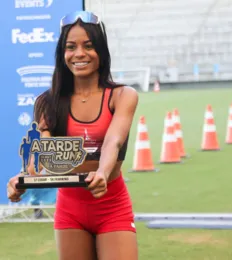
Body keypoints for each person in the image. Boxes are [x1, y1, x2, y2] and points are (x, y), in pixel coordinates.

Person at [7, 10, 139, 260]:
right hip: (70, 209)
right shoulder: (47, 102)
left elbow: (114, 141)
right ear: (62, 53)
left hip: (112, 205)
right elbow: (45, 160)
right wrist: (21, 181)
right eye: (71, 47)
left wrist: (101, 172)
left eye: (88, 46)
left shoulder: (123, 96)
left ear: (101, 50)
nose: (79, 54)